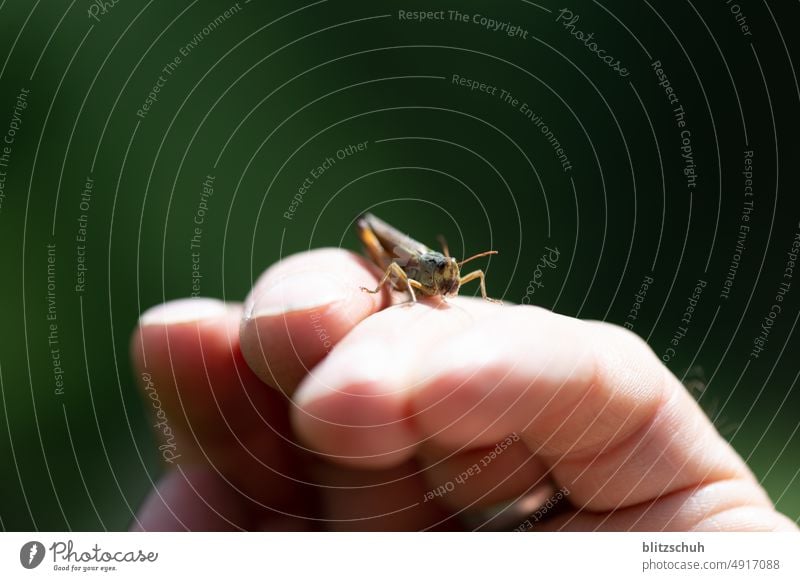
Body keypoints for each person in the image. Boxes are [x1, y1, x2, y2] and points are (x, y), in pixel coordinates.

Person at [129, 248, 797, 531]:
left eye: (455, 278)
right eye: (446, 276)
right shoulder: (413, 275)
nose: (450, 284)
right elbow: (392, 263)